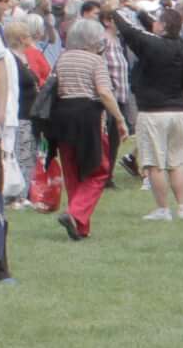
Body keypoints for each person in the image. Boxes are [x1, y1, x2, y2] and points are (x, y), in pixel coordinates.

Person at [108, 1, 183, 222]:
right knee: (177, 162)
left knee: (155, 164)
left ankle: (162, 209)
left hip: (153, 112)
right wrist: (138, 11)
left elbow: (129, 30)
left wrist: (114, 10)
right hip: (178, 111)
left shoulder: (150, 45)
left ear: (163, 26)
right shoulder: (181, 45)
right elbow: (150, 26)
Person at [44, 17, 128, 241]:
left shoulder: (62, 58)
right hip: (87, 117)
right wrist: (120, 119)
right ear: (92, 40)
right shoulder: (95, 60)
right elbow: (104, 92)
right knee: (99, 170)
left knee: (72, 172)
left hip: (62, 117)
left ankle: (81, 226)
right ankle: (75, 213)